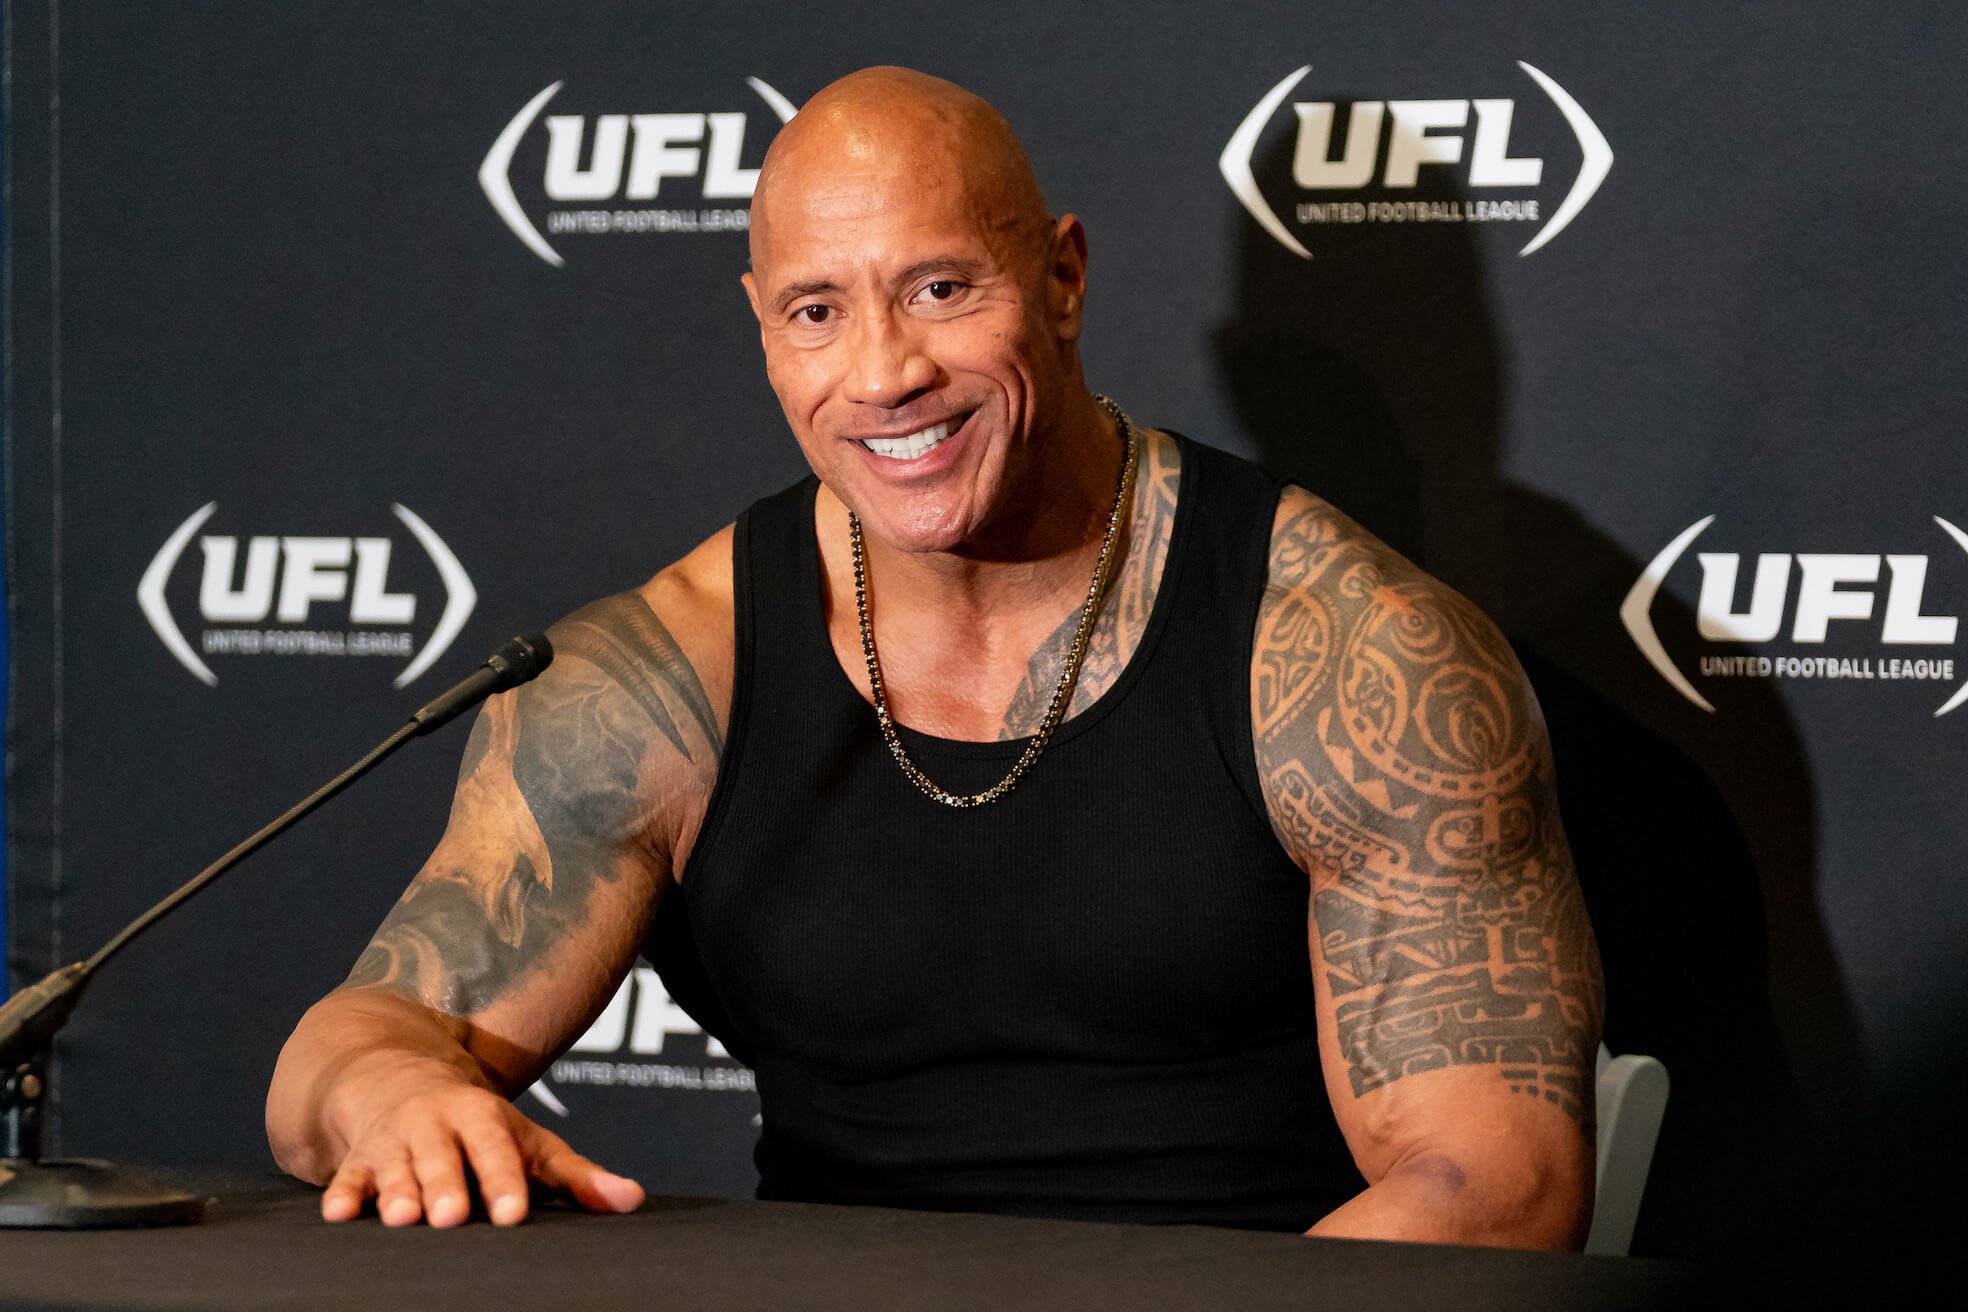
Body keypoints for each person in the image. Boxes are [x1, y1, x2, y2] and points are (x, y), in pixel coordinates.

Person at [265, 66, 1603, 1248]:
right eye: (815, 312)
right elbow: (348, 1050)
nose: (884, 371)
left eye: (941, 288)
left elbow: (1494, 1188)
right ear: (762, 327)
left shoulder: (1353, 656)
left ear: (1064, 278)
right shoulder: (668, 673)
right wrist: (390, 1094)